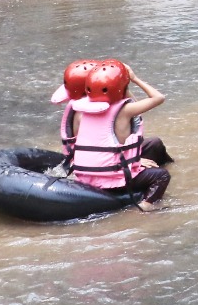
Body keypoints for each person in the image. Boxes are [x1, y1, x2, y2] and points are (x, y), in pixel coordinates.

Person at [68, 60, 171, 210]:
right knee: (162, 175)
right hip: (111, 180)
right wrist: (134, 78)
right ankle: (146, 207)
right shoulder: (125, 111)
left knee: (154, 143)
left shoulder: (83, 110)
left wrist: (138, 160)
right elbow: (158, 98)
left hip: (85, 175)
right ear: (120, 89)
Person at [51, 59, 174, 173]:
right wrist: (134, 162)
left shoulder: (80, 106)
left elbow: (135, 114)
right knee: (161, 172)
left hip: (102, 157)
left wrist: (123, 84)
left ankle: (173, 167)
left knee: (155, 144)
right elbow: (99, 146)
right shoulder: (88, 113)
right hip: (103, 162)